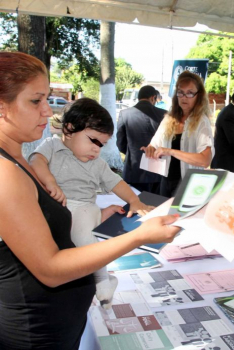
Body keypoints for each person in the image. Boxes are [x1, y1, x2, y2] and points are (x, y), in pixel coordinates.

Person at [0, 51, 179, 349]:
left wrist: (96, 211)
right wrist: (141, 236)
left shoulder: (17, 161)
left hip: (54, 329)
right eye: (36, 100)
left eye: (46, 99)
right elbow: (49, 268)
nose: (47, 111)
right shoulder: (7, 173)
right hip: (35, 336)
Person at [30, 97, 156, 308]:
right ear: (69, 129)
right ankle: (101, 217)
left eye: (102, 144)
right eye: (93, 140)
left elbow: (117, 183)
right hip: (54, 209)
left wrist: (134, 200)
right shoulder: (50, 146)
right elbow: (36, 161)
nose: (97, 149)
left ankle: (103, 281)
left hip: (82, 208)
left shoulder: (97, 164)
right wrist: (50, 181)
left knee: (83, 241)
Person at [143, 71, 214, 197]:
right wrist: (150, 150)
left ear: (199, 96)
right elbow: (154, 144)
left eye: (190, 93)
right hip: (166, 182)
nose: (184, 97)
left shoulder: (202, 122)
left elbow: (205, 160)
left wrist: (170, 151)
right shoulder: (169, 118)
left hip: (189, 185)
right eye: (181, 92)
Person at [117, 85, 166, 194]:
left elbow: (120, 142)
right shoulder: (163, 114)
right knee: (156, 204)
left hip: (133, 168)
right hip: (157, 169)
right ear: (153, 97)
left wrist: (133, 152)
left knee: (134, 204)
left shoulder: (124, 114)